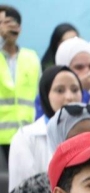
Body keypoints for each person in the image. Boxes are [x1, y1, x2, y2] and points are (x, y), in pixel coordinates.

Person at [8, 65, 81, 191]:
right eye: (60, 90)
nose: (69, 97)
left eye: (75, 90)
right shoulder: (26, 137)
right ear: (46, 94)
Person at [0, 6, 40, 159]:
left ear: (18, 28)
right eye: (0, 23)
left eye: (8, 22)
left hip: (26, 136)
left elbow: (39, 96)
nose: (4, 27)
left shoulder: (31, 58)